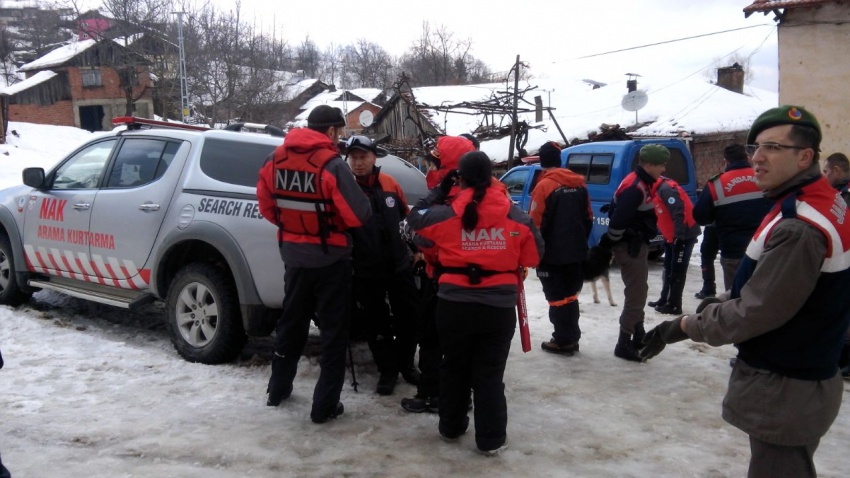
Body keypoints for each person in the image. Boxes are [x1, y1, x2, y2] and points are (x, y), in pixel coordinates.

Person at [640, 105, 850, 477]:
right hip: (805, 377)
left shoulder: (798, 225)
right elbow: (777, 287)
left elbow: (757, 310)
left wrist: (687, 325)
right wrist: (719, 301)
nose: (758, 157)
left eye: (772, 147)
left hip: (786, 387)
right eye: (756, 146)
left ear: (805, 156)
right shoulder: (816, 200)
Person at [407, 150, 543, 455]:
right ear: (493, 177)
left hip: (453, 305)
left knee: (453, 366)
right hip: (498, 309)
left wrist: (438, 192)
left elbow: (415, 224)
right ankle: (491, 439)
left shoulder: (446, 214)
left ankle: (451, 427)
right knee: (489, 373)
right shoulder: (515, 216)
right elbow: (534, 254)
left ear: (461, 179)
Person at [257, 105, 372, 424]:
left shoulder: (274, 159)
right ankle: (324, 407)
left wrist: (294, 228)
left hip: (293, 257)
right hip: (331, 260)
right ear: (332, 131)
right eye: (339, 131)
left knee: (291, 325)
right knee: (334, 333)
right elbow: (358, 215)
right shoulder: (331, 165)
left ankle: (277, 390)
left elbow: (266, 206)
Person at [401, 135, 477, 413]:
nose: (431, 165)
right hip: (469, 281)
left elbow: (425, 236)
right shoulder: (484, 194)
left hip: (442, 279)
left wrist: (414, 238)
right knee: (458, 344)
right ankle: (454, 395)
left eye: (435, 160)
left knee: (433, 339)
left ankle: (435, 394)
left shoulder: (446, 198)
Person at [344, 134, 420, 395]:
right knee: (376, 323)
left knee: (409, 318)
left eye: (362, 156)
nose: (358, 162)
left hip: (400, 265)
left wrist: (416, 249)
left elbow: (406, 220)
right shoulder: (346, 189)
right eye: (353, 157)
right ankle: (387, 371)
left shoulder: (390, 183)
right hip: (366, 269)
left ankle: (407, 365)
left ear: (373, 157)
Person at [599, 144, 667, 362]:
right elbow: (618, 221)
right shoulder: (635, 187)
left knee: (640, 290)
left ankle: (638, 333)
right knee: (636, 293)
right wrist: (610, 242)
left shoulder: (641, 183)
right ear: (648, 165)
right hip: (631, 246)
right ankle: (624, 342)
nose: (663, 169)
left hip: (635, 244)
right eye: (660, 165)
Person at [529, 141, 592, 355]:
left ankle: (563, 340)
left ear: (541, 160)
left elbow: (535, 224)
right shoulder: (579, 183)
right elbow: (588, 218)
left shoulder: (544, 186)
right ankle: (571, 337)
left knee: (557, 298)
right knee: (571, 295)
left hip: (552, 255)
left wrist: (534, 253)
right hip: (576, 252)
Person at [692, 144, 772, 292]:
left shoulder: (716, 184)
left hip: (734, 253)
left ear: (725, 161)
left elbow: (701, 217)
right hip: (766, 249)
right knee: (766, 295)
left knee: (737, 298)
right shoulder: (765, 177)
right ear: (747, 158)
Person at [647, 176, 701, 315]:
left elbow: (679, 212)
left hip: (684, 235)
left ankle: (675, 304)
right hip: (671, 235)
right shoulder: (654, 190)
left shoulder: (666, 189)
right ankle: (664, 299)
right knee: (668, 267)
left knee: (677, 270)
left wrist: (679, 238)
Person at [821, 152, 850, 378]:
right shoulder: (840, 193)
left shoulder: (845, 194)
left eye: (826, 172)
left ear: (837, 171)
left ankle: (846, 360)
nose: (825, 176)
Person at [694, 223, 719, 299]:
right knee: (730, 259)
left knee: (707, 257)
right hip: (735, 227)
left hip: (713, 227)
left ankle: (708, 289)